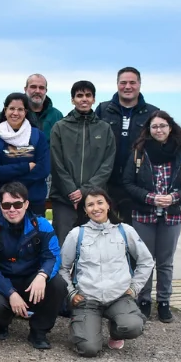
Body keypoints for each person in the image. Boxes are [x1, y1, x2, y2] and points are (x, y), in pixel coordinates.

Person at [123, 111, 181, 322]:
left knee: (165, 262)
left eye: (163, 126)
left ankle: (164, 302)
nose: (159, 130)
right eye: (155, 126)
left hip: (172, 215)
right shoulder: (139, 152)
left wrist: (176, 197)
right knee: (144, 260)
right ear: (149, 130)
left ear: (170, 127)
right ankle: (144, 300)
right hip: (144, 213)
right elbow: (128, 183)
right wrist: (149, 197)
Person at [59, 188, 154, 357]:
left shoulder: (125, 231)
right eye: (90, 205)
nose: (96, 208)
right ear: (85, 210)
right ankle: (84, 327)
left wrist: (134, 288)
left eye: (100, 202)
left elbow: (146, 261)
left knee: (133, 326)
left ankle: (116, 331)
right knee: (88, 349)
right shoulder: (76, 234)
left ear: (108, 205)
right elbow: (62, 268)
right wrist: (71, 293)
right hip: (87, 298)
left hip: (119, 296)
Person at [0, 182, 67, 349]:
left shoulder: (42, 225)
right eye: (6, 205)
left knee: (58, 284)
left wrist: (43, 275)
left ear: (26, 204)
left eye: (17, 204)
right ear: (0, 206)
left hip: (32, 280)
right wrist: (10, 293)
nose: (12, 209)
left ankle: (38, 332)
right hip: (3, 282)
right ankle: (1, 324)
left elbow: (52, 256)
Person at [49, 80, 115, 245]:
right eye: (79, 96)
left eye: (88, 95)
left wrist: (86, 191)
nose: (84, 99)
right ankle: (61, 273)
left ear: (93, 99)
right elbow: (56, 163)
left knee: (93, 247)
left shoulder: (104, 128)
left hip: (94, 200)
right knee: (63, 246)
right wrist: (72, 191)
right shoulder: (60, 127)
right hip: (64, 199)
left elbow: (107, 164)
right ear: (73, 100)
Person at [96, 67, 160, 225]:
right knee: (103, 228)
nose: (127, 87)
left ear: (139, 84)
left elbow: (158, 148)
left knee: (131, 233)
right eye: (123, 82)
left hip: (136, 185)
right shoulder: (103, 110)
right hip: (106, 182)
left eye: (132, 82)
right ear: (117, 84)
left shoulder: (152, 113)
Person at [0, 93, 51, 217]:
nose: (15, 113)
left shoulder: (38, 136)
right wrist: (26, 167)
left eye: (20, 109)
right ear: (5, 111)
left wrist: (12, 181)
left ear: (26, 112)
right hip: (3, 202)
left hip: (33, 200)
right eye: (11, 108)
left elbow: (43, 169)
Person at [24, 74, 63, 140]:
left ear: (46, 91)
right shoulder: (15, 113)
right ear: (25, 89)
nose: (37, 91)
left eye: (41, 88)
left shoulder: (56, 115)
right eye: (33, 87)